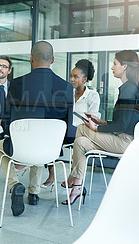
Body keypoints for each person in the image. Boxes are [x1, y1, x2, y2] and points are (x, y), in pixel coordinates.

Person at [0, 41, 74, 216]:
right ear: (52, 60)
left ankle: (14, 184)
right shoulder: (66, 87)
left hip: (22, 148)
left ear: (31, 59)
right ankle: (34, 192)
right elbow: (67, 131)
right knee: (41, 137)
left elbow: (8, 124)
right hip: (49, 151)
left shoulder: (16, 84)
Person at [62, 50, 139, 205]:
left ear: (125, 67)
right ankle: (77, 186)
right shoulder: (130, 87)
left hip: (124, 142)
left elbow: (121, 125)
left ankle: (72, 178)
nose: (112, 67)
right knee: (80, 143)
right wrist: (101, 122)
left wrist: (96, 129)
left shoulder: (128, 89)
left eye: (115, 63)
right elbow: (123, 121)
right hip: (122, 138)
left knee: (82, 128)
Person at [41, 59, 101, 189]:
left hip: (82, 132)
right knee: (49, 136)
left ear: (84, 79)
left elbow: (93, 119)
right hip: (65, 130)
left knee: (68, 139)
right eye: (71, 76)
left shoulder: (92, 95)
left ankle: (72, 176)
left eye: (76, 77)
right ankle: (51, 175)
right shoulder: (66, 93)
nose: (71, 79)